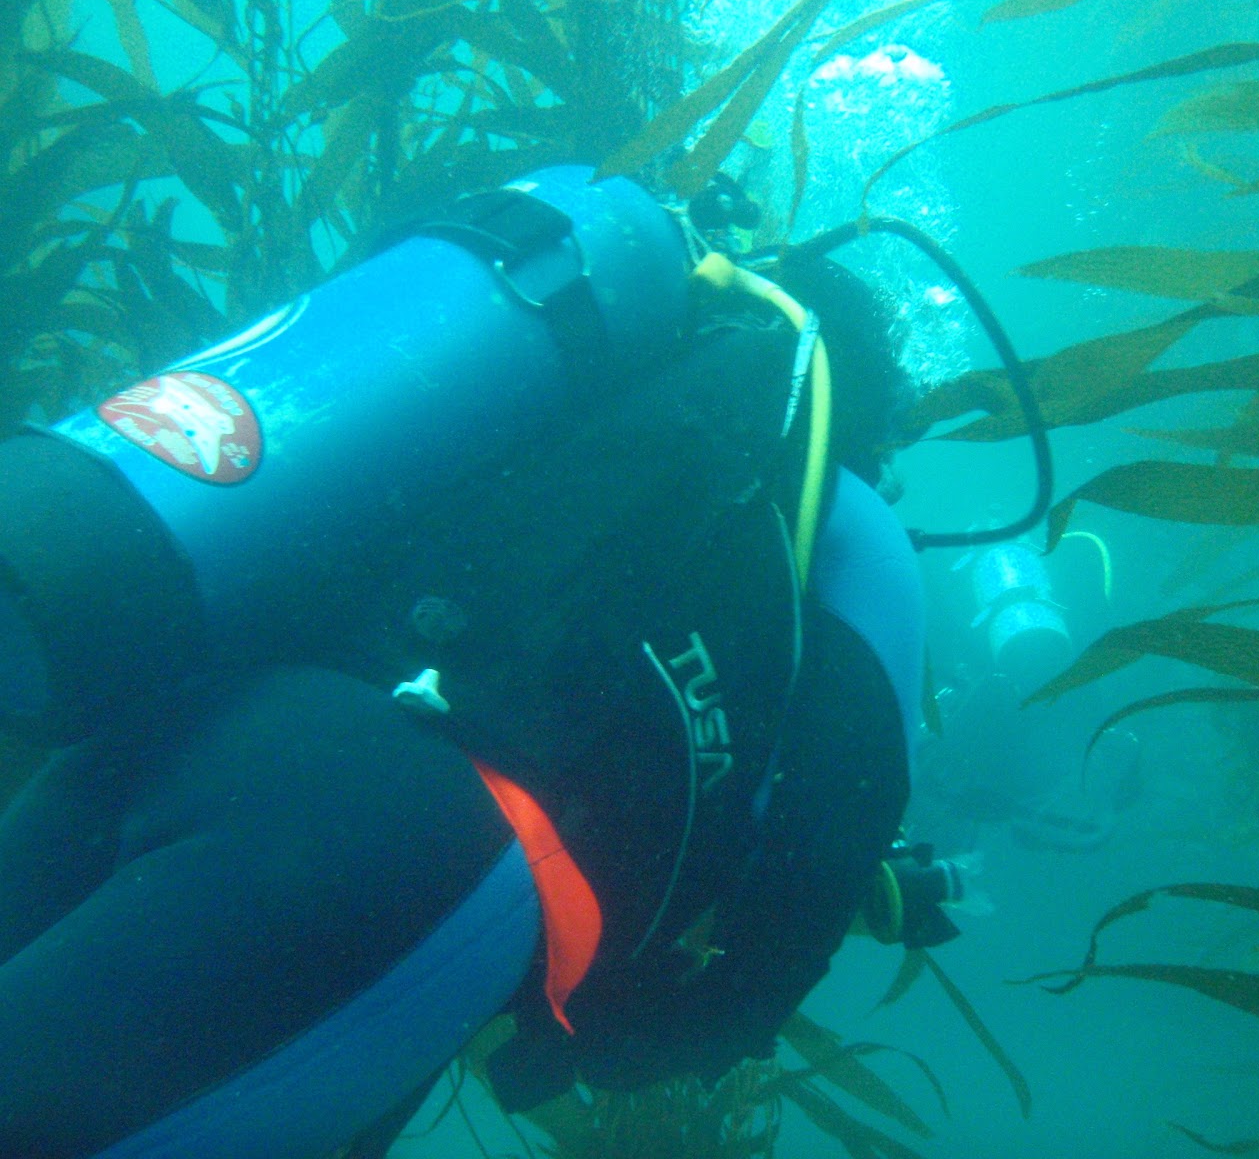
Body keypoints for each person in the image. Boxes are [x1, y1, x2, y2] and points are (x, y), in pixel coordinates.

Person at [0, 168, 926, 1157]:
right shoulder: (853, 523)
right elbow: (830, 832)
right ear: (861, 413)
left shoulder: (570, 378)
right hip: (421, 844)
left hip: (205, 724)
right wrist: (647, 1039)